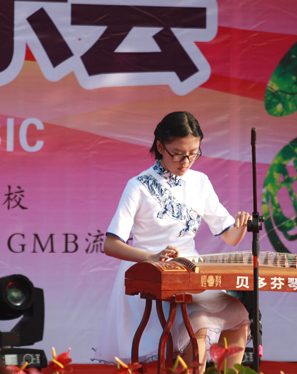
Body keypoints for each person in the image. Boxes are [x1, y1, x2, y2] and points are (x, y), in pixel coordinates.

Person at [93, 111, 251, 371]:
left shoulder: (200, 182)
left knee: (238, 315)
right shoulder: (139, 186)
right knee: (196, 326)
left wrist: (241, 226)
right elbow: (110, 244)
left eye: (193, 152)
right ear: (160, 146)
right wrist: (151, 257)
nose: (186, 161)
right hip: (150, 274)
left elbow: (230, 237)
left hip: (190, 272)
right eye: (178, 153)